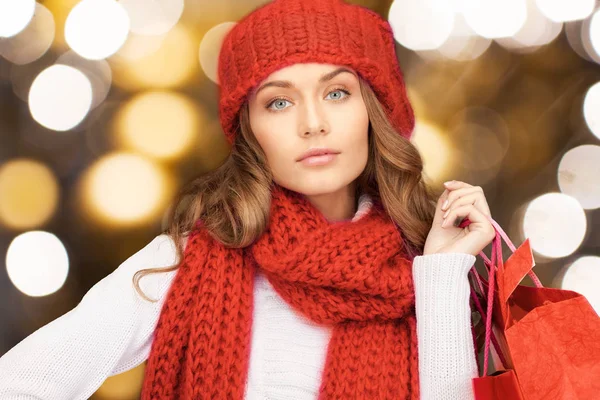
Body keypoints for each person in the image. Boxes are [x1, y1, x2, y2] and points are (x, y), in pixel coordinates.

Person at [0, 0, 497, 398]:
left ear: (375, 110)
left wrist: (440, 274)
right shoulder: (186, 262)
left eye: (338, 93)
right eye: (278, 102)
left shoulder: (425, 271)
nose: (312, 122)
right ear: (250, 130)